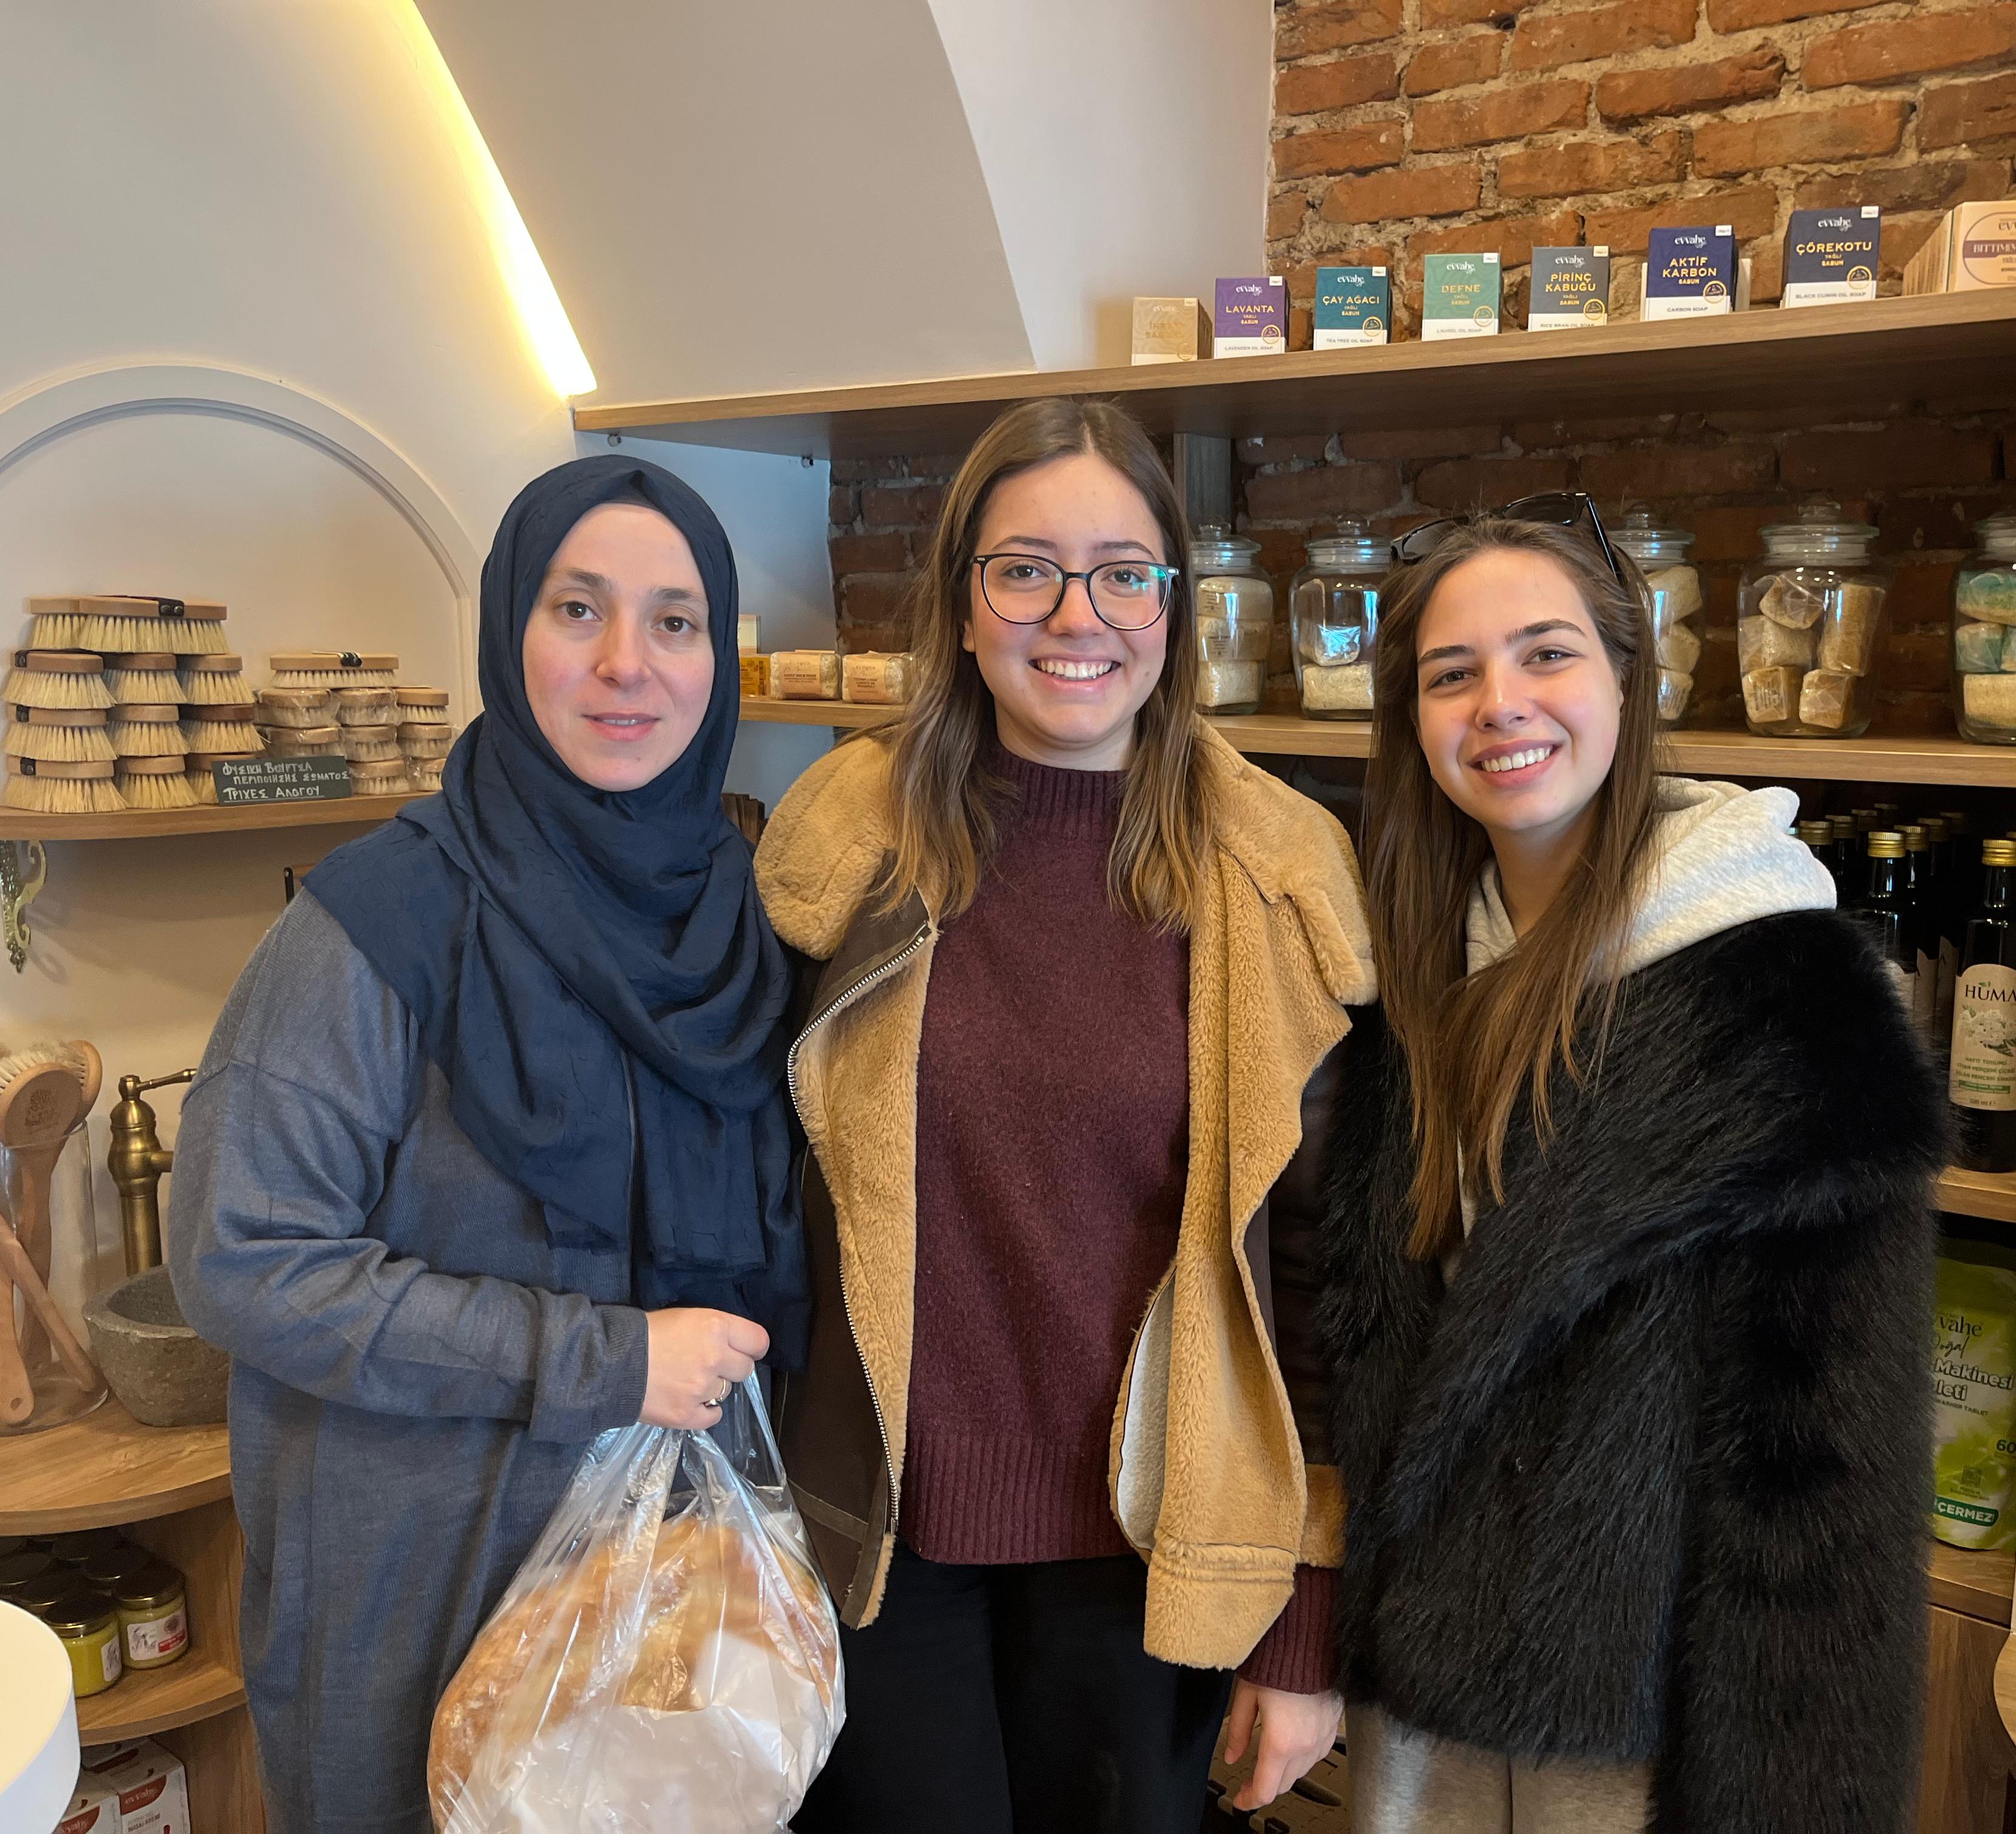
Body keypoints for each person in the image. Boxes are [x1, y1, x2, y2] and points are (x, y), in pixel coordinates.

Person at [756, 398, 1369, 1833]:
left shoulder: (1278, 874)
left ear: (1174, 605)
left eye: (1122, 573)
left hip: (1153, 1553)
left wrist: (1305, 1624)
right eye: (1026, 570)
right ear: (963, 605)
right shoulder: (842, 843)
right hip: (877, 1547)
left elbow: (1325, 1281)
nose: (1076, 616)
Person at [168, 455, 805, 1834]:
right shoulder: (372, 927)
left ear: (719, 663)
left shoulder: (747, 926)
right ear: (509, 632)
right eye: (578, 610)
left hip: (682, 1604)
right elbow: (243, 1258)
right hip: (420, 1607)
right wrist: (603, 1361)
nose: (628, 662)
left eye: (677, 620)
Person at [1322, 517, 1946, 1833]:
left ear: (1628, 678)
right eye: (1451, 673)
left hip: (1635, 1721)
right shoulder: (1413, 976)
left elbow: (1825, 1477)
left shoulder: (1779, 1005)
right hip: (1420, 1683)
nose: (1501, 703)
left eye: (1546, 654)